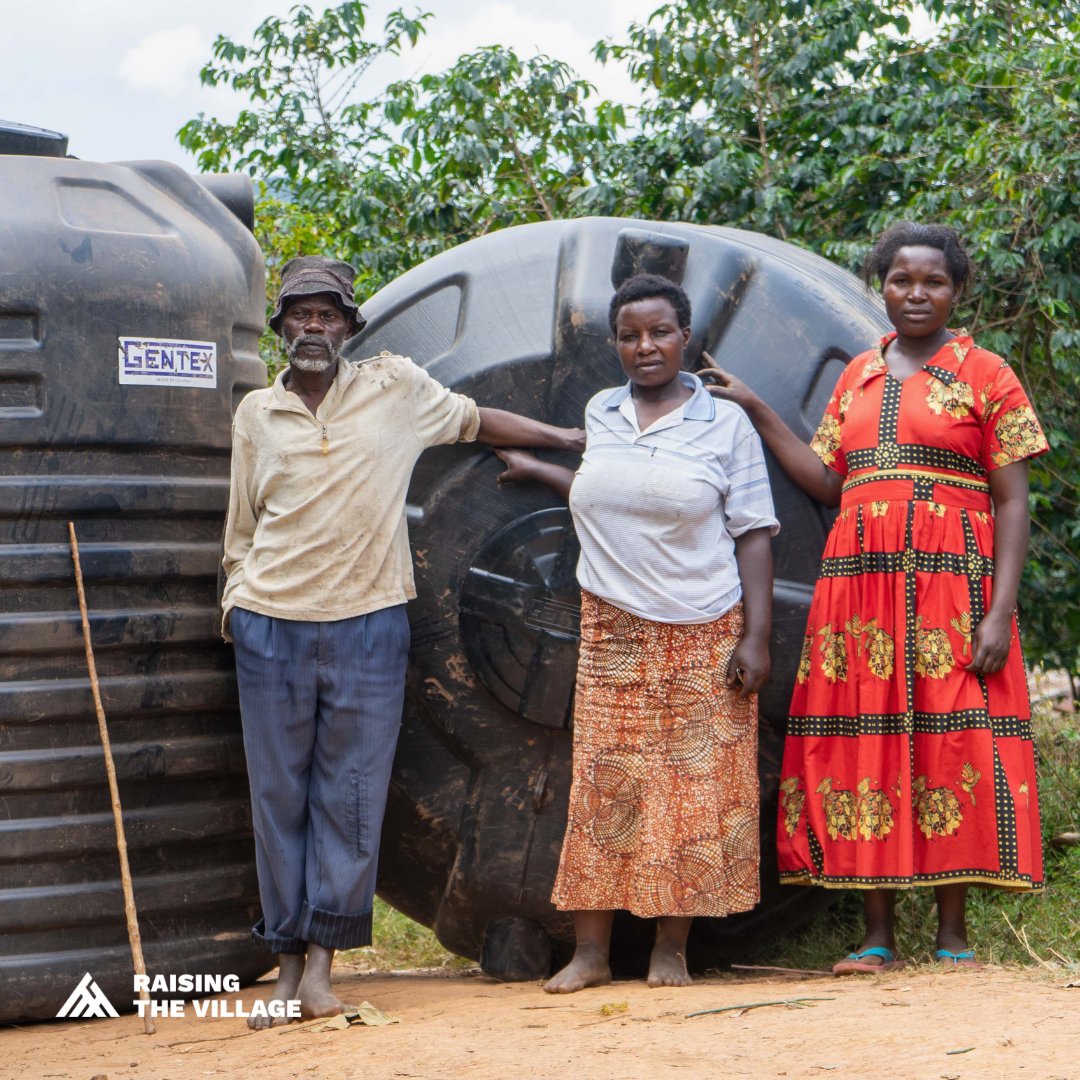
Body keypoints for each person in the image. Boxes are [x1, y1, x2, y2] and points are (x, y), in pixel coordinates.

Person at [222, 256, 585, 1027]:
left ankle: (321, 973)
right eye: (300, 314)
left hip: (368, 623)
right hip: (272, 624)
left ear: (349, 327)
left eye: (327, 315)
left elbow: (477, 420)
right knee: (278, 799)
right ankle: (286, 970)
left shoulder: (396, 389)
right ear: (281, 325)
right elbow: (241, 527)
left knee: (351, 796)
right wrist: (237, 605)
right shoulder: (257, 413)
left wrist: (568, 435)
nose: (313, 326)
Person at [701, 223, 1047, 973]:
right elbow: (829, 482)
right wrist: (757, 408)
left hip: (954, 591)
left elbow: (1013, 501)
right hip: (857, 596)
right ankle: (877, 936)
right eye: (901, 280)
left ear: (957, 290)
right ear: (881, 287)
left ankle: (952, 938)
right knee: (865, 745)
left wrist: (999, 611)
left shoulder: (987, 374)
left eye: (934, 282)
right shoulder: (857, 373)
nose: (916, 294)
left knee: (953, 743)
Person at [496, 273, 777, 992]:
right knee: (605, 786)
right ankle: (590, 954)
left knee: (691, 792)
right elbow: (610, 494)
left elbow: (753, 531)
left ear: (685, 337)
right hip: (612, 626)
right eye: (629, 335)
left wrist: (756, 637)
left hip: (703, 627)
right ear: (615, 344)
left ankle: (669, 951)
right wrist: (542, 470)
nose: (645, 346)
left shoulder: (725, 424)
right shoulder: (604, 410)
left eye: (659, 333)